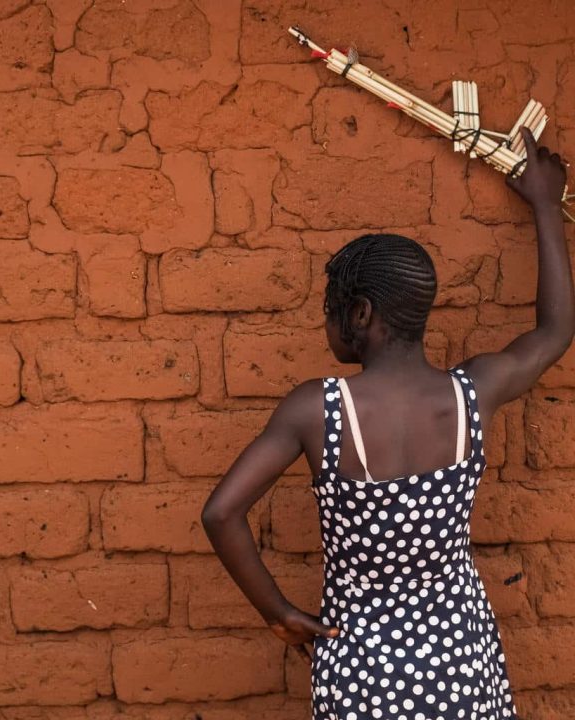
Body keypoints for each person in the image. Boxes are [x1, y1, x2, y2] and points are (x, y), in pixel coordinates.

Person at [200, 126, 574, 720]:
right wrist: (545, 207)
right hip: (462, 661)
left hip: (360, 669)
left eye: (331, 311)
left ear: (362, 312)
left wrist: (279, 614)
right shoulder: (473, 393)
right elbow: (554, 333)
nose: (326, 324)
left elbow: (221, 513)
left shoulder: (316, 409)